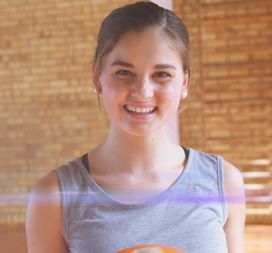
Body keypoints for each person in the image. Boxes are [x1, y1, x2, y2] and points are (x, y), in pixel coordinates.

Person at [25, 1, 245, 253]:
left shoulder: (223, 182)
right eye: (123, 72)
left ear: (185, 82)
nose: (142, 92)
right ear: (97, 78)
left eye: (161, 74)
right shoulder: (54, 196)